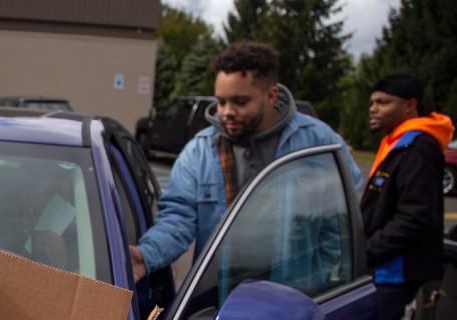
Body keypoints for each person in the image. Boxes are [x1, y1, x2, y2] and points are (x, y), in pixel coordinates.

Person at [129, 41, 362, 281]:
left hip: (296, 299)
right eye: (221, 101)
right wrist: (147, 255)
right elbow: (178, 216)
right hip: (219, 298)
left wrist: (324, 277)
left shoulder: (317, 141)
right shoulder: (200, 151)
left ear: (271, 95)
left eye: (240, 102)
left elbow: (342, 217)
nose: (226, 111)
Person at [343, 74, 453, 320]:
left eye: (383, 102)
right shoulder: (401, 141)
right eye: (372, 101)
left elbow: (416, 217)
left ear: (410, 106)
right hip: (389, 265)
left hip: (395, 267)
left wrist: (366, 251)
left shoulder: (418, 146)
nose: (373, 108)